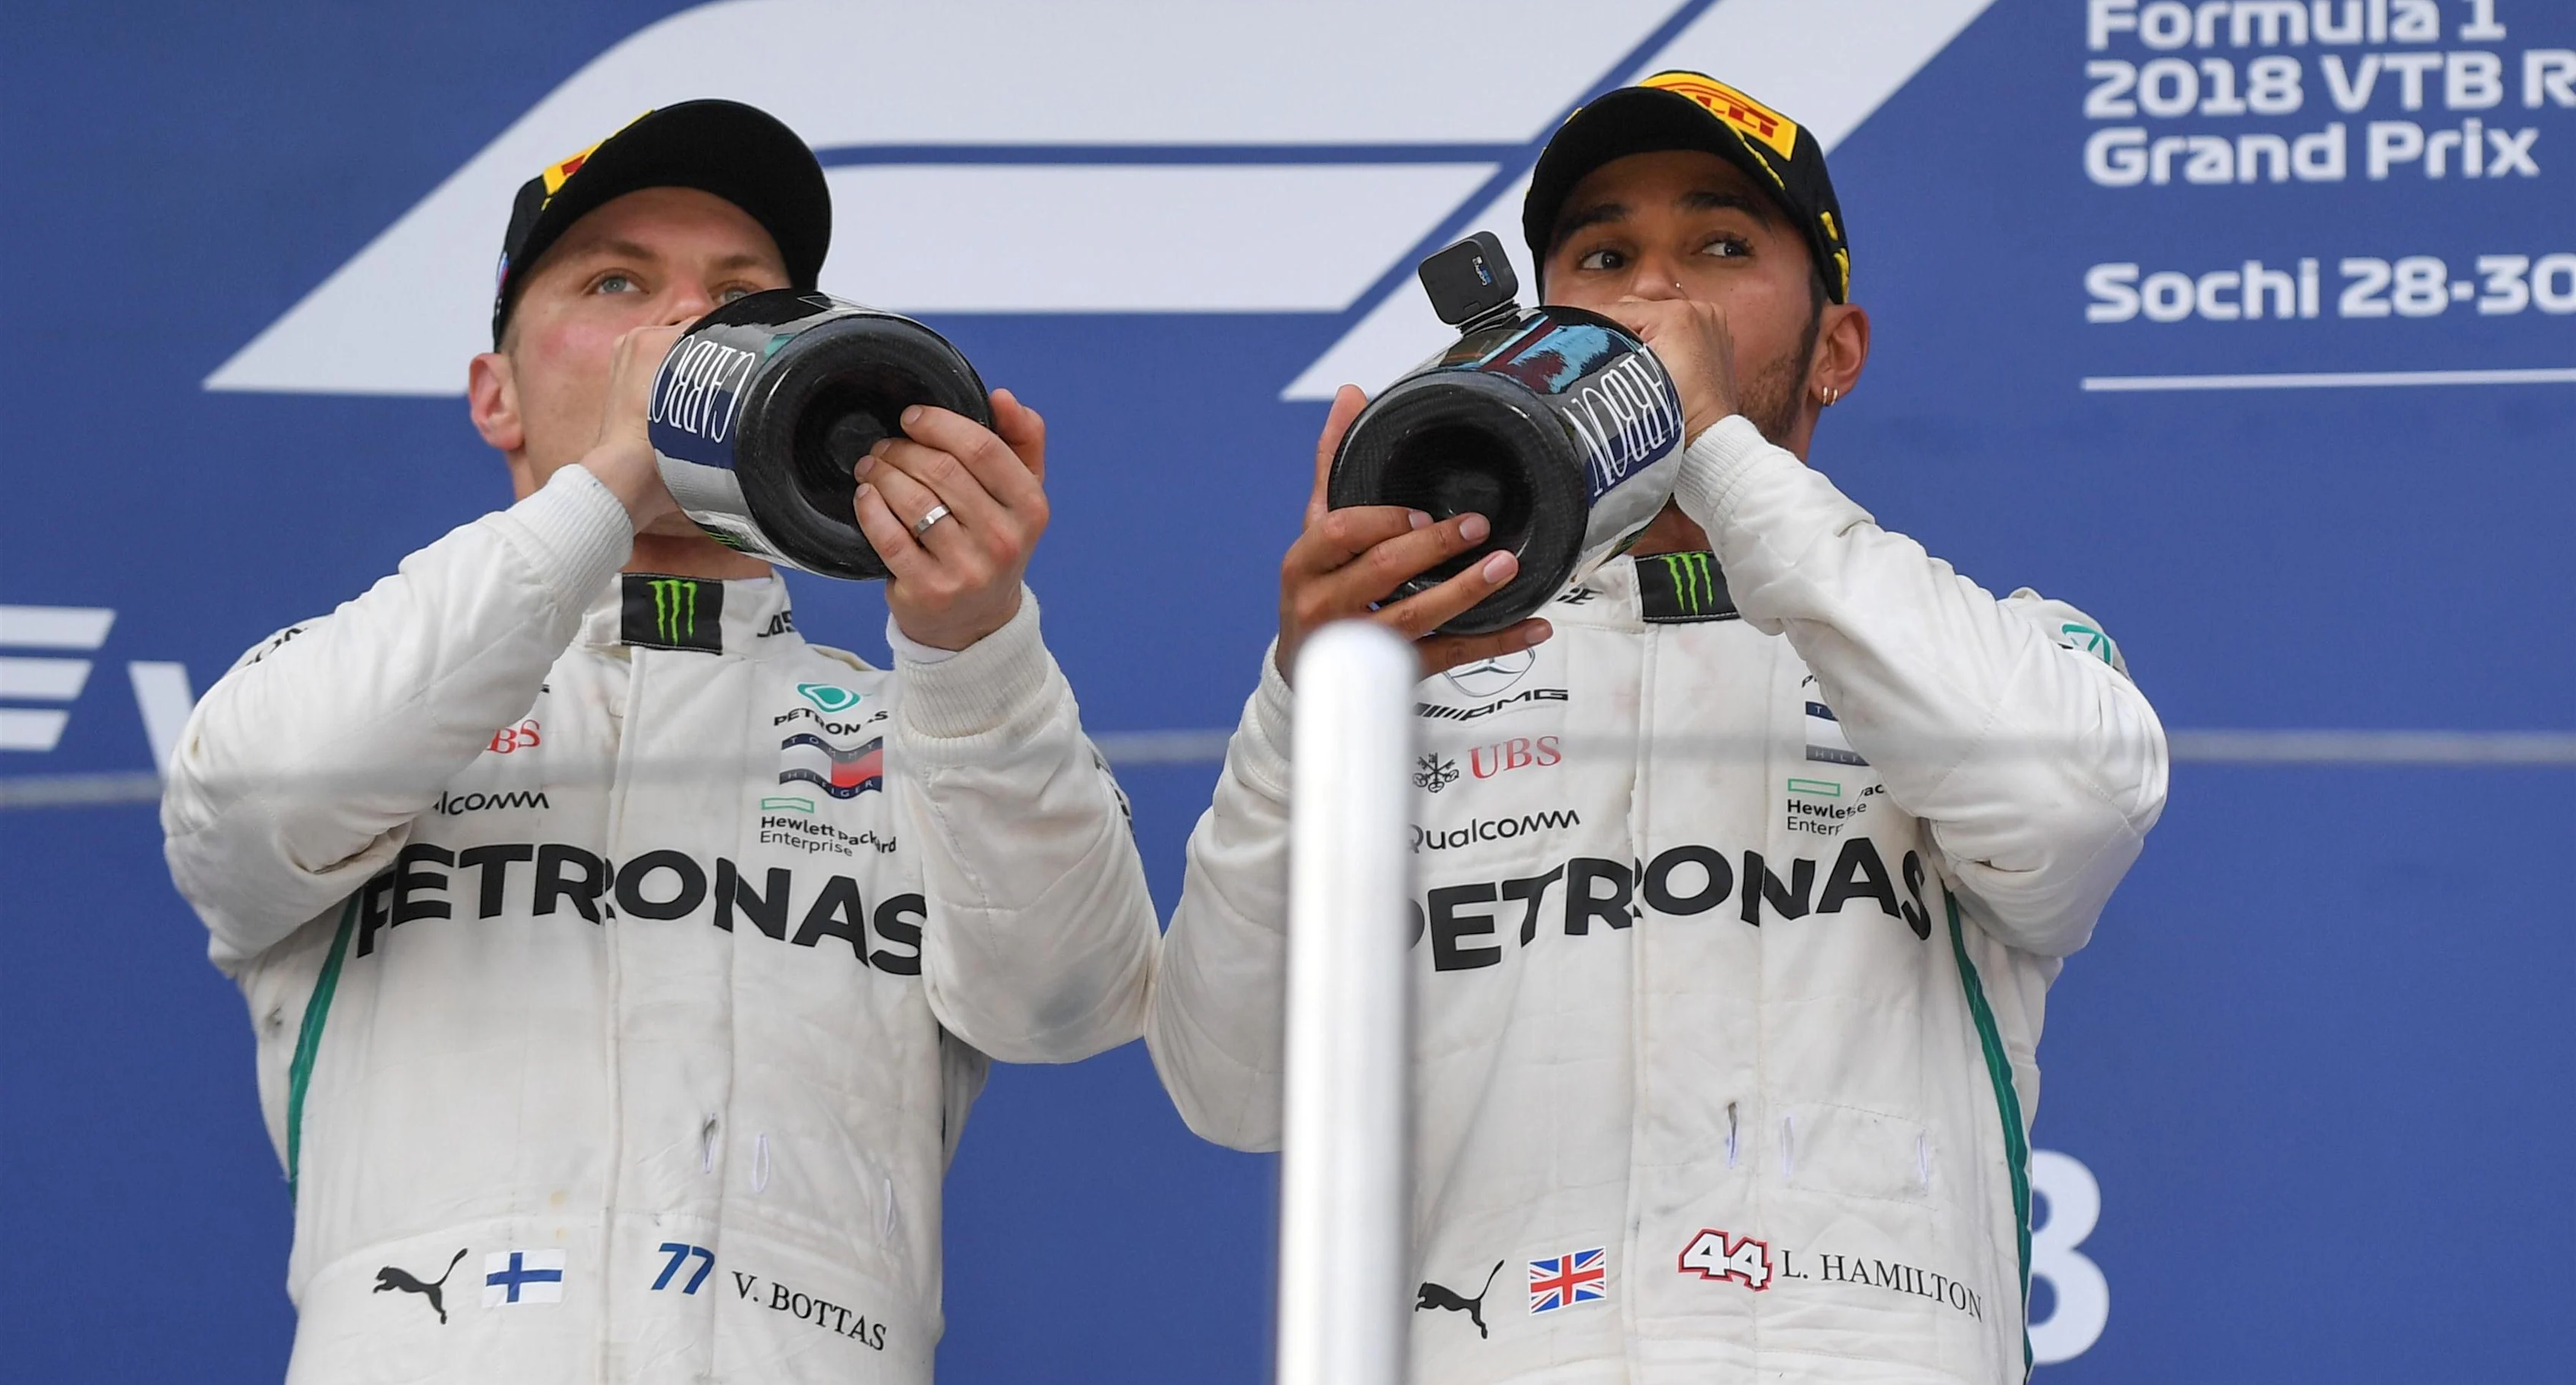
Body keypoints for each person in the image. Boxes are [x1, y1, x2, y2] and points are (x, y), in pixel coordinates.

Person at [1148, 71, 2169, 1382]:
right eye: (1605, 255)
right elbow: (1231, 1083)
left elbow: (2070, 815)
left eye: (1723, 246)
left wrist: (1714, 447)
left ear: (1837, 349)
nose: (1657, 294)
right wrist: (1316, 698)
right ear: (1534, 331)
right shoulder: (1414, 677)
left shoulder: (1999, 647)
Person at [160, 99, 1160, 1383]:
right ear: (496, 394)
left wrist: (974, 637)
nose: (686, 322)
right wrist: (624, 475)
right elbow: (249, 813)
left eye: (744, 299)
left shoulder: (937, 713)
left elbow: (1069, 1003)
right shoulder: (350, 683)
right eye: (618, 281)